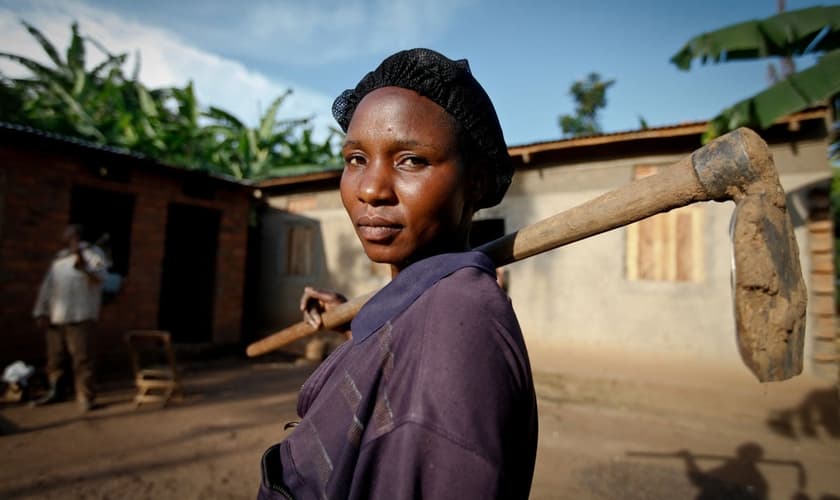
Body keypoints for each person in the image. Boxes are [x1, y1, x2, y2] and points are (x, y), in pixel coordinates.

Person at [257, 48, 538, 499]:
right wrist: (360, 329)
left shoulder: (456, 331)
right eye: (355, 159)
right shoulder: (420, 306)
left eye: (411, 160)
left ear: (478, 182)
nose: (370, 189)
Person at [32, 224, 107, 412]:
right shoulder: (60, 257)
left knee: (82, 358)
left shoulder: (94, 253)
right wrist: (41, 311)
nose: (67, 237)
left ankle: (85, 396)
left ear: (78, 235)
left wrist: (82, 263)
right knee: (54, 358)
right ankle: (56, 391)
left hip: (81, 315)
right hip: (57, 316)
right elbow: (48, 286)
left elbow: (100, 277)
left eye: (71, 234)